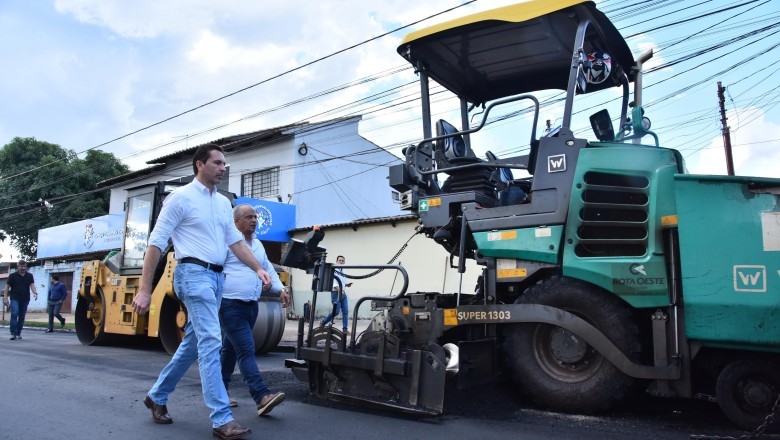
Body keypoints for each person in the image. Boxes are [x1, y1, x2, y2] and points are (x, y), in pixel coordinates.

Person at [130, 143, 272, 440]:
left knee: (193, 343)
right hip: (193, 275)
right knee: (211, 342)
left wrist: (258, 268)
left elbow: (236, 243)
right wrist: (145, 289)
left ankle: (157, 395)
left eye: (224, 163)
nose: (223, 168)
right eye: (217, 162)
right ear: (199, 164)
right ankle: (222, 419)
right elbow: (155, 244)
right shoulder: (180, 198)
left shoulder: (222, 203)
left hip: (217, 279)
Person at [220, 204, 291, 416]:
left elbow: (267, 269)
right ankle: (261, 396)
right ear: (235, 222)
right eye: (248, 217)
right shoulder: (226, 242)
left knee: (229, 350)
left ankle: (220, 392)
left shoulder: (258, 244)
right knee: (246, 349)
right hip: (230, 304)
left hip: (251, 305)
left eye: (255, 217)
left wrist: (280, 289)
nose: (253, 220)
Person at [3, 260, 37, 340]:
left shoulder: (29, 276)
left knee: (22, 316)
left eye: (24, 266)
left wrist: (35, 293)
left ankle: (18, 333)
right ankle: (13, 333)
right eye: (21, 266)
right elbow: (7, 287)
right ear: (18, 266)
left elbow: (32, 285)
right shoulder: (12, 276)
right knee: (15, 314)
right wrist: (5, 298)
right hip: (15, 298)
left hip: (25, 299)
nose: (23, 268)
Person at [321, 255, 352, 334]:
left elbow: (341, 282)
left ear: (344, 262)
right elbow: (334, 284)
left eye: (342, 261)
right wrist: (340, 291)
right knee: (336, 311)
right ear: (337, 261)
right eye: (339, 260)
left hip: (343, 293)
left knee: (345, 311)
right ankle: (323, 322)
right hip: (336, 293)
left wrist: (346, 285)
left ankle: (345, 330)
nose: (341, 262)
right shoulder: (334, 270)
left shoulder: (343, 270)